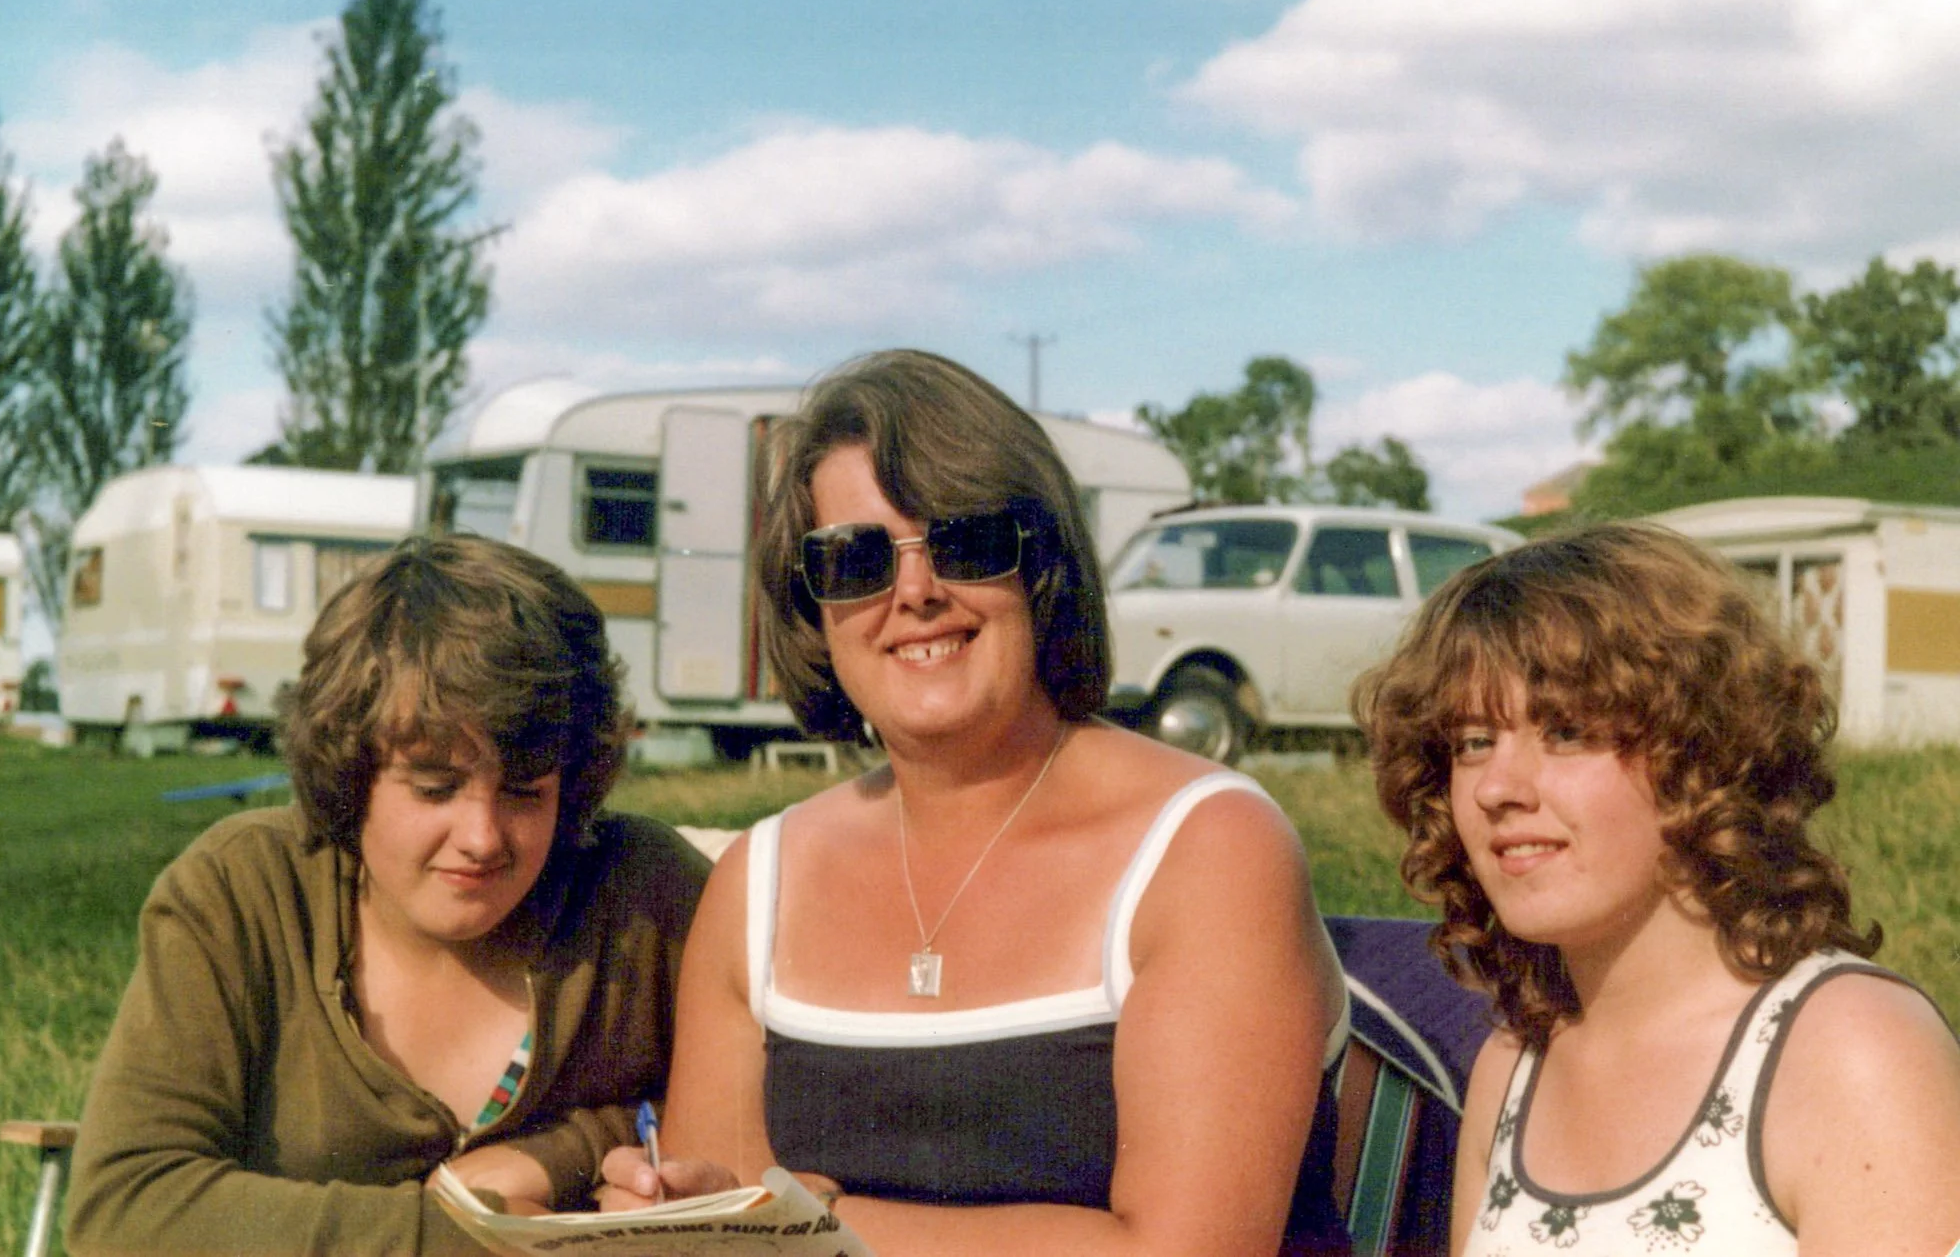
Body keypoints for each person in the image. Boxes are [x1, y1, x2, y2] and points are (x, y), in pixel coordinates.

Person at [599, 349, 1351, 1256]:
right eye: (855, 559)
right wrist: (671, 1207)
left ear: (1040, 567)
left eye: (966, 542)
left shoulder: (1207, 847)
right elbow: (709, 1234)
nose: (914, 592)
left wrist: (812, 1225)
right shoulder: (760, 883)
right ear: (811, 605)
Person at [66, 535, 709, 1256]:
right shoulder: (241, 892)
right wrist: (473, 1238)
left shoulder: (647, 897)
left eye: (526, 790)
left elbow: (771, 1118)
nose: (482, 836)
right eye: (435, 787)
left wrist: (570, 1152)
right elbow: (124, 1210)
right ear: (349, 770)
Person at [1354, 523, 1960, 1257]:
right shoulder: (1513, 1068)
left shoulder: (1850, 1049)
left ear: (1703, 753)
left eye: (1567, 731)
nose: (1497, 789)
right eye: (1473, 742)